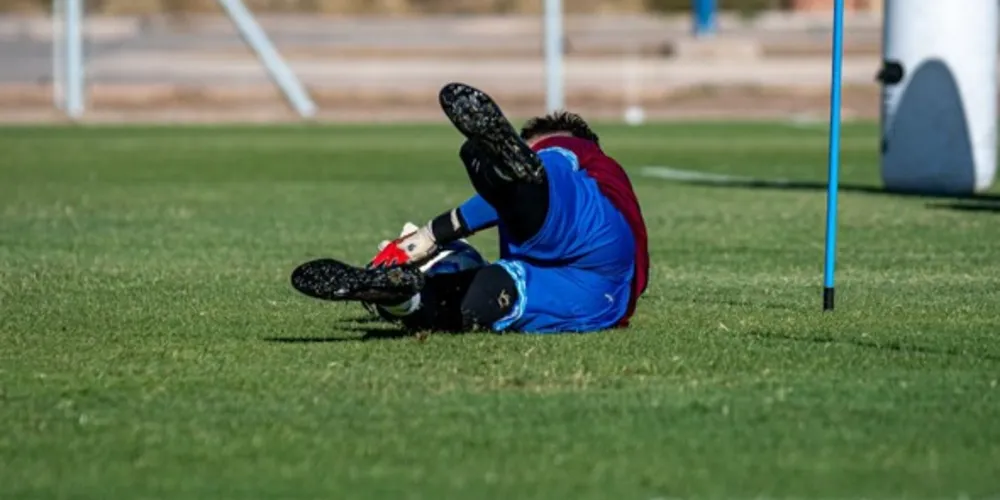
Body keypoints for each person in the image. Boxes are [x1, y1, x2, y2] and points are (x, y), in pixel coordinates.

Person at [291, 82, 649, 334]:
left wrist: (429, 236)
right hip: (596, 302)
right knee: (492, 293)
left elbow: (528, 191)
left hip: (599, 240)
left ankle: (513, 174)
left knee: (552, 170)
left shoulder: (591, 159)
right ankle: (401, 296)